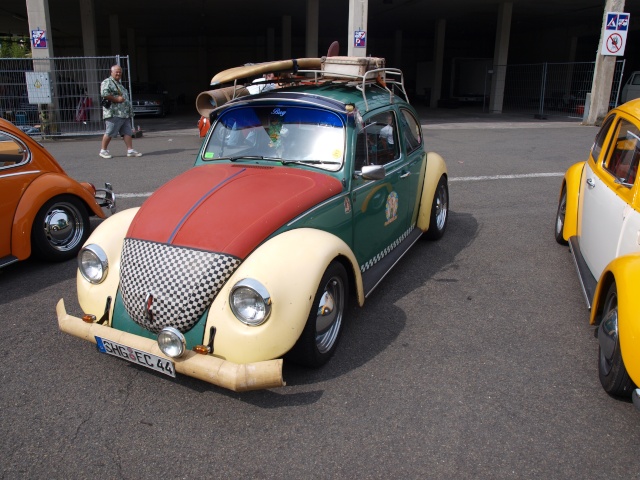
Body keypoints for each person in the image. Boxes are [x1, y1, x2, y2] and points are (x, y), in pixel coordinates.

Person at [99, 65, 142, 158]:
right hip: (114, 113)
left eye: (120, 72)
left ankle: (130, 150)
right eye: (116, 72)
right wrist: (116, 99)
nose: (118, 73)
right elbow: (104, 94)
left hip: (124, 113)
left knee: (127, 132)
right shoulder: (107, 82)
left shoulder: (118, 84)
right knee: (110, 131)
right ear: (111, 72)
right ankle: (103, 150)